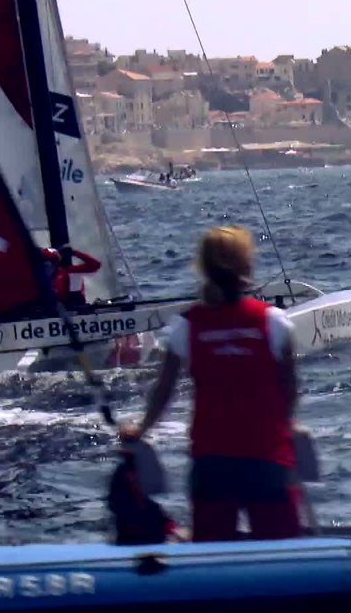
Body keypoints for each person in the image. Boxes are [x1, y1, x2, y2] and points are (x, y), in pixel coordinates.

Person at [119, 225, 302, 543]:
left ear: (201, 268)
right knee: (280, 551)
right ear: (248, 266)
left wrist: (140, 429)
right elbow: (289, 391)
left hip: (211, 463)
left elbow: (163, 392)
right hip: (267, 459)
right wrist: (285, 428)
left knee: (211, 549)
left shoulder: (184, 329)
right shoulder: (274, 323)